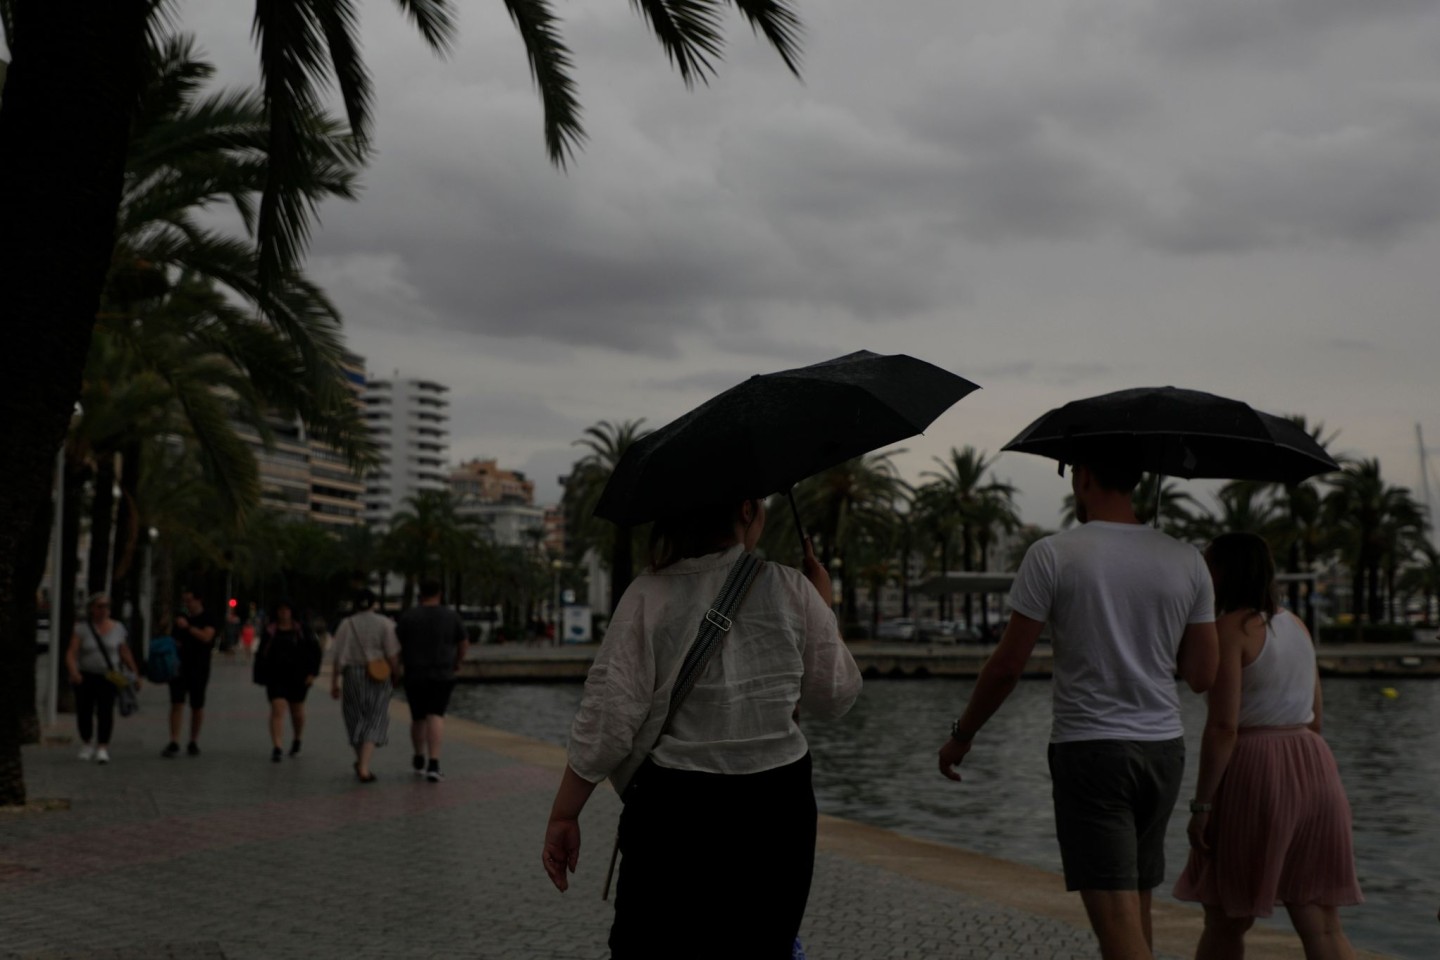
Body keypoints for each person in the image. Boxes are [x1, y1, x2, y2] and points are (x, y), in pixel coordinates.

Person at [541, 498, 862, 959]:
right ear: (747, 510)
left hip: (678, 811)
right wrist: (821, 605)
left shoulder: (649, 593)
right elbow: (836, 695)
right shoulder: (792, 587)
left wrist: (564, 814)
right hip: (778, 809)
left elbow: (609, 721)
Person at [937, 440, 1218, 960]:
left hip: (1091, 752)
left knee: (1116, 928)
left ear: (1083, 475)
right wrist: (1156, 630)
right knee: (1136, 910)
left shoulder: (1053, 554)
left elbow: (1005, 668)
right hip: (1163, 751)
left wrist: (962, 735)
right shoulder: (1188, 561)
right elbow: (1203, 675)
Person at [1174, 533, 1362, 959]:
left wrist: (1202, 807)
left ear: (1221, 572)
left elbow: (1224, 727)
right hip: (1314, 766)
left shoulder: (1229, 630)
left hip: (1256, 767)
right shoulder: (1296, 626)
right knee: (1322, 922)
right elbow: (1315, 716)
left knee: (1226, 918)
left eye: (1207, 565)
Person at [395, 578, 468, 782]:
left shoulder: (409, 616)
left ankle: (419, 757)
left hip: (414, 673)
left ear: (420, 593)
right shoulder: (451, 616)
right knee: (436, 715)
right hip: (442, 674)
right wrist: (457, 662)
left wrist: (396, 669)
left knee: (417, 717)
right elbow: (463, 642)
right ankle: (434, 764)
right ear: (440, 594)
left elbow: (396, 645)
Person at [330, 589, 400, 782]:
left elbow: (336, 656)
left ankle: (360, 761)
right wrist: (396, 673)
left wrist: (334, 682)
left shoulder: (346, 624)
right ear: (373, 603)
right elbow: (392, 653)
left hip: (351, 674)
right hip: (378, 675)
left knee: (354, 716)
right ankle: (364, 767)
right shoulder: (385, 624)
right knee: (375, 716)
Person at [65, 593, 142, 763]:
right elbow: (72, 652)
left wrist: (135, 673)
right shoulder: (82, 629)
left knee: (105, 711)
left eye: (106, 606)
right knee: (84, 710)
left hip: (108, 677)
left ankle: (102, 747)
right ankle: (86, 742)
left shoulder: (118, 628)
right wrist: (73, 672)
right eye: (99, 606)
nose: (103, 610)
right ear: (92, 609)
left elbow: (124, 652)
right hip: (86, 676)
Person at [257, 600, 322, 762]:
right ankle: (277, 746)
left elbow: (316, 651)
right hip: (275, 676)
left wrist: (312, 673)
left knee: (297, 711)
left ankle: (297, 739)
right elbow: (261, 653)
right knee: (277, 709)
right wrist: (260, 674)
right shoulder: (270, 631)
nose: (284, 613)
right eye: (281, 610)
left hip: (298, 676)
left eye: (287, 610)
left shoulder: (302, 631)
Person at [164, 588, 217, 758]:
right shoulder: (180, 617)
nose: (186, 604)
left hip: (199, 666)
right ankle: (174, 740)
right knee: (177, 703)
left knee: (197, 705)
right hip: (179, 666)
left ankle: (193, 740)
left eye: (189, 600)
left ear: (198, 600)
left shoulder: (208, 617)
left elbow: (207, 637)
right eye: (184, 601)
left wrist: (189, 628)